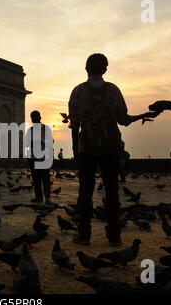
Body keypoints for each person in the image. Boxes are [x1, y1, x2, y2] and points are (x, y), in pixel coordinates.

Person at [68, 53, 160, 246]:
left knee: (85, 192)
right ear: (106, 69)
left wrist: (76, 150)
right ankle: (115, 236)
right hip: (110, 148)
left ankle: (84, 235)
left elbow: (75, 124)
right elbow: (123, 119)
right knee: (111, 192)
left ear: (86, 68)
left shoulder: (78, 92)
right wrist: (142, 115)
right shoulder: (113, 90)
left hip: (87, 149)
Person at [25, 110, 53, 205]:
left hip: (43, 158)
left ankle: (48, 198)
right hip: (33, 158)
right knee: (36, 180)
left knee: (45, 179)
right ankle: (39, 197)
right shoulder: (30, 130)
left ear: (40, 118)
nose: (34, 120)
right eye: (32, 118)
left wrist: (41, 142)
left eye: (35, 118)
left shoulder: (46, 129)